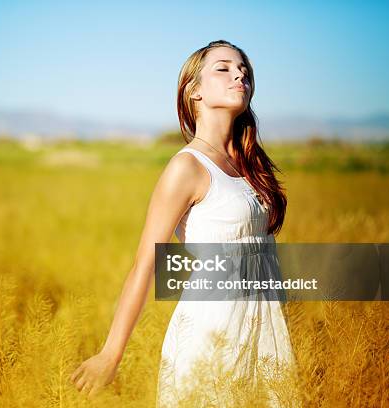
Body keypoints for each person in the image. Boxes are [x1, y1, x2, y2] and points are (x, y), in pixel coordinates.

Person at [70, 40, 299, 406]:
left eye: (244, 70)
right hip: (211, 337)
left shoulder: (250, 164)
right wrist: (111, 354)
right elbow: (144, 266)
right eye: (223, 68)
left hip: (265, 335)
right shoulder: (187, 167)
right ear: (194, 90)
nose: (239, 74)